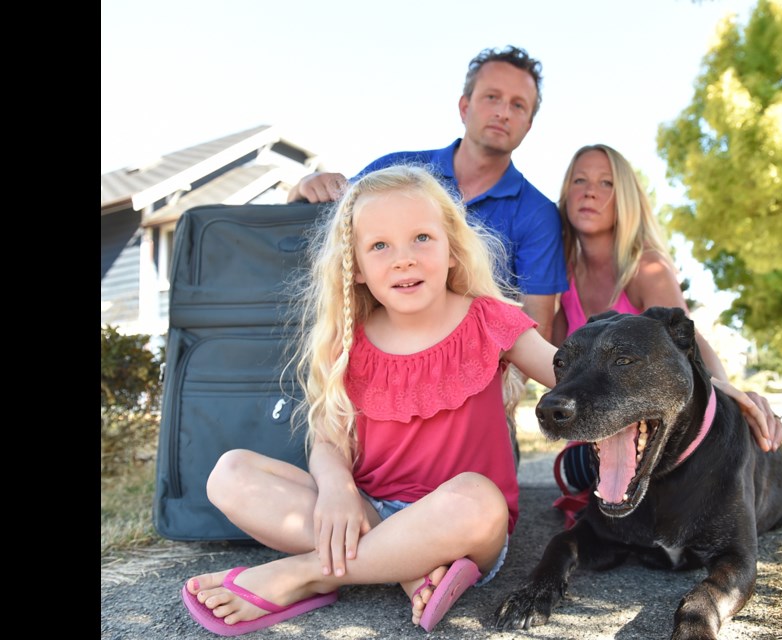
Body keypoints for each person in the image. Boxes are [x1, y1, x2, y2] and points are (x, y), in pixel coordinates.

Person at [180, 165, 558, 636]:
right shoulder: (350, 342)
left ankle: (304, 574)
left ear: (452, 248)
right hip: (365, 511)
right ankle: (406, 567)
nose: (403, 259)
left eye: (422, 237)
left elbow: (570, 377)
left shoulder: (490, 319)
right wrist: (337, 488)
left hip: (459, 527)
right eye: (380, 245)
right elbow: (328, 440)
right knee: (229, 475)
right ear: (354, 266)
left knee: (479, 501)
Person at [287, 45, 566, 343]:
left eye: (518, 105)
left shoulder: (538, 214)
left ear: (529, 125)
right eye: (492, 97)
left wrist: (503, 390)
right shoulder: (395, 171)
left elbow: (537, 325)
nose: (502, 112)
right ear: (464, 106)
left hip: (479, 372)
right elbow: (326, 232)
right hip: (380, 358)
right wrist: (304, 185)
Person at [552, 144, 782, 502]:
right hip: (598, 428)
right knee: (572, 471)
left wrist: (726, 389)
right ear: (566, 193)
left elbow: (685, 341)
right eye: (579, 180)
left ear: (625, 197)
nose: (590, 191)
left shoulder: (645, 266)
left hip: (649, 429)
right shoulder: (561, 274)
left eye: (606, 183)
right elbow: (551, 357)